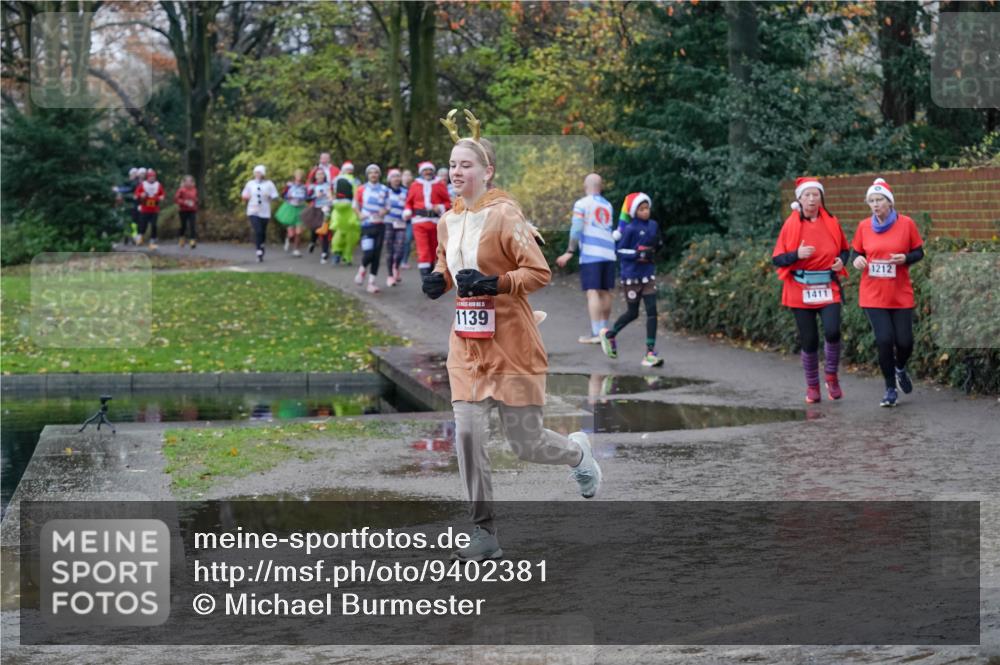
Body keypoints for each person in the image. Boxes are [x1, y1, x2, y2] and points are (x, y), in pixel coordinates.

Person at [422, 109, 601, 562]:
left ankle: (578, 455)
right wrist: (438, 280)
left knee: (527, 444)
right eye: (452, 164)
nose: (455, 171)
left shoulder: (506, 216)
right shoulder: (448, 219)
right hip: (466, 347)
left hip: (512, 343)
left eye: (465, 164)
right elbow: (448, 263)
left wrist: (496, 284)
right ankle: (483, 532)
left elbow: (538, 272)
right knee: (467, 435)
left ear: (487, 171)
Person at [772, 176, 850, 403]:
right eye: (807, 195)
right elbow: (777, 259)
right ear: (800, 199)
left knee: (833, 331)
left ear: (821, 198)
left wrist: (841, 261)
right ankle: (813, 386)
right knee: (809, 340)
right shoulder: (791, 225)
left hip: (827, 286)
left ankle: (831, 377)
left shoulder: (832, 221)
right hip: (800, 288)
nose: (812, 199)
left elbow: (845, 250)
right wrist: (797, 254)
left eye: (816, 195)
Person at [850, 178, 924, 408]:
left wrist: (905, 258)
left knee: (905, 342)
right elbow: (855, 254)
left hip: (900, 293)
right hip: (873, 294)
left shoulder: (907, 224)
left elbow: (919, 252)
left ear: (889, 202)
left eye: (879, 199)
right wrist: (857, 260)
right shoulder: (864, 226)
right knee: (884, 340)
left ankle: (900, 368)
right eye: (871, 201)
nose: (875, 204)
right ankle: (890, 389)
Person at [598, 193, 665, 367]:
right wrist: (638, 254)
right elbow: (619, 251)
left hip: (648, 275)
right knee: (633, 313)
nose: (645, 211)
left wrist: (656, 247)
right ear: (634, 211)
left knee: (652, 312)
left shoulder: (653, 225)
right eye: (641, 209)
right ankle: (610, 335)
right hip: (631, 277)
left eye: (647, 208)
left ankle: (650, 352)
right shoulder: (629, 229)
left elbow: (657, 243)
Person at [556, 173, 616, 344]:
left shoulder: (582, 204)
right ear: (601, 186)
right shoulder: (608, 205)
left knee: (593, 292)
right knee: (605, 292)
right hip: (609, 253)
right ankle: (605, 330)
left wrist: (569, 251)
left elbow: (576, 228)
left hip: (592, 253)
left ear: (585, 186)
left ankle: (597, 333)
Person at [404, 161, 451, 275]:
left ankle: (431, 273)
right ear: (421, 172)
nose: (428, 172)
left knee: (433, 250)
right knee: (423, 250)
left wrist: (439, 206)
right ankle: (425, 278)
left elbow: (448, 203)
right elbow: (408, 202)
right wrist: (408, 210)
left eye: (430, 170)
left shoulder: (439, 184)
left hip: (435, 223)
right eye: (425, 170)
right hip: (419, 222)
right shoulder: (415, 185)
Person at [354, 164, 391, 293]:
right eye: (371, 173)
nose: (373, 175)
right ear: (368, 175)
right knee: (368, 253)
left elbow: (388, 207)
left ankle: (371, 283)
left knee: (376, 255)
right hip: (367, 225)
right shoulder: (361, 189)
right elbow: (355, 205)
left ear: (379, 175)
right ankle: (362, 270)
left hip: (380, 225)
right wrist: (359, 214)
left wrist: (384, 211)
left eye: (376, 172)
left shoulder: (385, 189)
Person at [241, 165, 280, 262]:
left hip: (265, 211)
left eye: (259, 172)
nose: (257, 174)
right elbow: (244, 194)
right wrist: (246, 196)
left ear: (263, 174)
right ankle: (258, 250)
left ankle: (261, 245)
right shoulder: (250, 183)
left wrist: (270, 196)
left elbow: (275, 196)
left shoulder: (269, 184)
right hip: (253, 210)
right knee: (258, 230)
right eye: (256, 172)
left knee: (262, 231)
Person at [384, 168, 408, 286]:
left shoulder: (405, 191)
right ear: (390, 179)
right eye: (394, 176)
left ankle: (396, 267)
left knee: (400, 249)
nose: (396, 178)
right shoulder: (385, 191)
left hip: (401, 223)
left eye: (398, 176)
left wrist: (408, 213)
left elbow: (409, 205)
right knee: (390, 250)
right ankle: (390, 275)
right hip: (388, 222)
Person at [330, 171, 360, 265]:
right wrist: (334, 222)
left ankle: (347, 257)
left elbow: (355, 215)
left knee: (350, 243)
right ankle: (337, 253)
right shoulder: (337, 206)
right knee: (337, 240)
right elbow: (335, 214)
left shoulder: (353, 206)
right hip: (341, 227)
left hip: (351, 229)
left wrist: (354, 221)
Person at [276, 169, 308, 257]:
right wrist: (288, 196)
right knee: (292, 233)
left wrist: (304, 198)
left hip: (300, 209)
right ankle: (288, 239)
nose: (299, 177)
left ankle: (296, 249)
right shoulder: (289, 185)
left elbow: (307, 197)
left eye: (300, 175)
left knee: (299, 231)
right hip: (290, 208)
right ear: (294, 176)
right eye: (297, 175)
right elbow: (283, 195)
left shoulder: (304, 187)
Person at [134, 168, 165, 249]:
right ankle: (140, 238)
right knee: (143, 224)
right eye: (151, 177)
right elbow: (136, 193)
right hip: (145, 208)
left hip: (154, 208)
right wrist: (141, 194)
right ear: (148, 177)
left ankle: (152, 240)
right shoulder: (143, 184)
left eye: (153, 177)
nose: (152, 178)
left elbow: (162, 194)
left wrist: (160, 197)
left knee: (154, 225)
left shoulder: (158, 184)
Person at [308, 169, 334, 263]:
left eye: (322, 174)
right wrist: (315, 196)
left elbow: (333, 196)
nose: (320, 176)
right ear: (315, 176)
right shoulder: (313, 186)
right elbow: (307, 197)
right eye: (318, 174)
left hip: (326, 209)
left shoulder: (328, 185)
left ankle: (324, 253)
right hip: (316, 209)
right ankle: (312, 242)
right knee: (315, 229)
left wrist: (331, 198)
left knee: (325, 231)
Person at [174, 175, 198, 249]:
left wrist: (195, 201)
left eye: (190, 181)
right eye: (187, 181)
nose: (189, 183)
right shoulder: (181, 190)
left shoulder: (194, 189)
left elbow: (196, 198)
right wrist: (185, 202)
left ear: (192, 182)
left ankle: (192, 241)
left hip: (192, 210)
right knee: (183, 226)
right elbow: (176, 199)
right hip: (183, 210)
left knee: (192, 225)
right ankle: (181, 238)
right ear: (184, 182)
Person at [400, 169, 414, 269]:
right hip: (397, 219)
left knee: (408, 239)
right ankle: (396, 260)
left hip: (410, 219)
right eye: (405, 175)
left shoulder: (414, 188)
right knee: (398, 240)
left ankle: (404, 260)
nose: (407, 177)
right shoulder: (397, 188)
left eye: (409, 175)